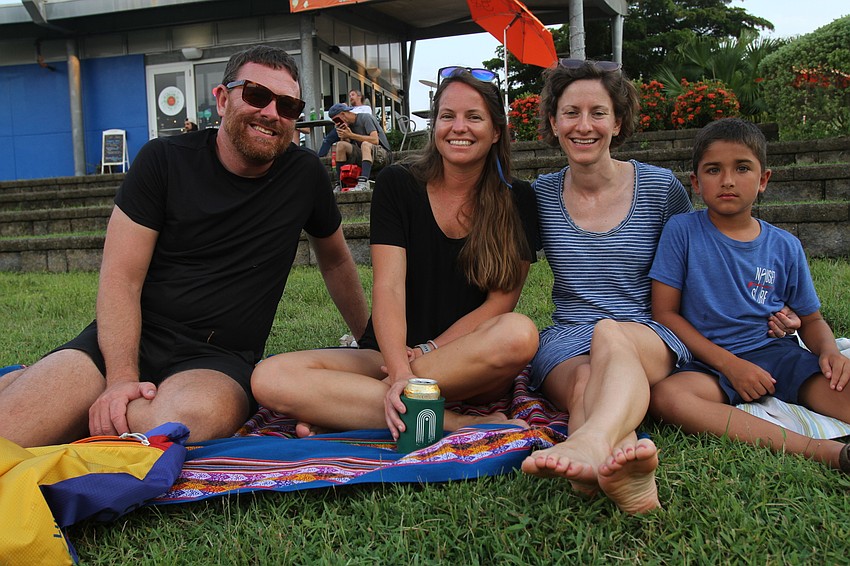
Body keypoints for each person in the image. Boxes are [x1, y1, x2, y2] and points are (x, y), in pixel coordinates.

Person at [0, 45, 368, 448]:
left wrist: (369, 345)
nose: (271, 113)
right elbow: (121, 277)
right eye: (257, 96)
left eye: (287, 105)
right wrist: (121, 379)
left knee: (186, 421)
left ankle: (70, 410)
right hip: (134, 337)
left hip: (220, 359)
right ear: (224, 98)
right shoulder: (163, 160)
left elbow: (335, 263)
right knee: (11, 430)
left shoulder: (304, 176)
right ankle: (63, 397)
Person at [518, 60, 799, 514]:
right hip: (568, 334)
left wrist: (761, 308)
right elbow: (504, 271)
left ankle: (588, 443)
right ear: (553, 122)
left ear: (619, 121)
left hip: (647, 330)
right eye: (570, 113)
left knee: (611, 336)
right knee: (587, 380)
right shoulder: (539, 194)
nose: (584, 125)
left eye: (598, 112)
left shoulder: (658, 186)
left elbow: (700, 258)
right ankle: (623, 471)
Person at [251, 67, 539, 439]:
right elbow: (388, 287)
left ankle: (349, 409)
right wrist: (399, 370)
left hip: (467, 360)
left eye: (474, 117)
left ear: (496, 130)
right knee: (270, 377)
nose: (458, 127)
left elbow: (500, 303)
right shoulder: (398, 185)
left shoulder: (519, 198)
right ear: (435, 125)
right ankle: (456, 423)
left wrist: (425, 352)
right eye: (447, 116)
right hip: (386, 356)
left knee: (520, 334)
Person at [648, 117, 850, 472]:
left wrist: (830, 351)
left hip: (777, 356)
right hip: (708, 362)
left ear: (763, 180)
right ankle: (822, 451)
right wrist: (731, 365)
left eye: (742, 168)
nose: (727, 180)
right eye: (713, 170)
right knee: (667, 397)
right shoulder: (682, 231)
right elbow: (665, 313)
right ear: (696, 182)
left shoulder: (785, 245)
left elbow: (812, 319)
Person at [328, 100, 392, 192]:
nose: (336, 123)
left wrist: (351, 135)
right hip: (364, 156)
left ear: (343, 115)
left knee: (365, 144)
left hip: (382, 155)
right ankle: (340, 183)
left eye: (336, 120)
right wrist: (344, 136)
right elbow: (347, 146)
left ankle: (363, 182)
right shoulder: (348, 125)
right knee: (340, 145)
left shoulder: (365, 118)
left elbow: (375, 140)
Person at [317, 89, 372, 158]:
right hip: (345, 127)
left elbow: (361, 118)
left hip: (356, 129)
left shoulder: (365, 108)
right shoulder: (350, 108)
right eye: (349, 96)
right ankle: (321, 157)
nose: (351, 97)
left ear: (359, 96)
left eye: (353, 95)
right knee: (329, 139)